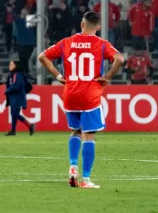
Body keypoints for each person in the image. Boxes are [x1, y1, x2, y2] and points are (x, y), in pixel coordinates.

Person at [37, 11, 124, 189]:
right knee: (89, 136)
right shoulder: (101, 44)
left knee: (75, 131)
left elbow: (42, 56)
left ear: (82, 24)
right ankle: (85, 179)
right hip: (90, 94)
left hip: (70, 93)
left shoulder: (67, 42)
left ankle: (73, 167)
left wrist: (58, 75)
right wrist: (107, 77)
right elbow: (119, 59)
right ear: (98, 27)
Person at [5, 60, 35, 136]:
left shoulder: (17, 74)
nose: (10, 66)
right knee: (14, 114)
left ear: (16, 66)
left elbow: (17, 85)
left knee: (15, 114)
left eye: (11, 64)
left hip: (17, 97)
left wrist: (8, 90)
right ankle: (13, 130)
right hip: (14, 97)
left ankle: (29, 125)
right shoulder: (13, 74)